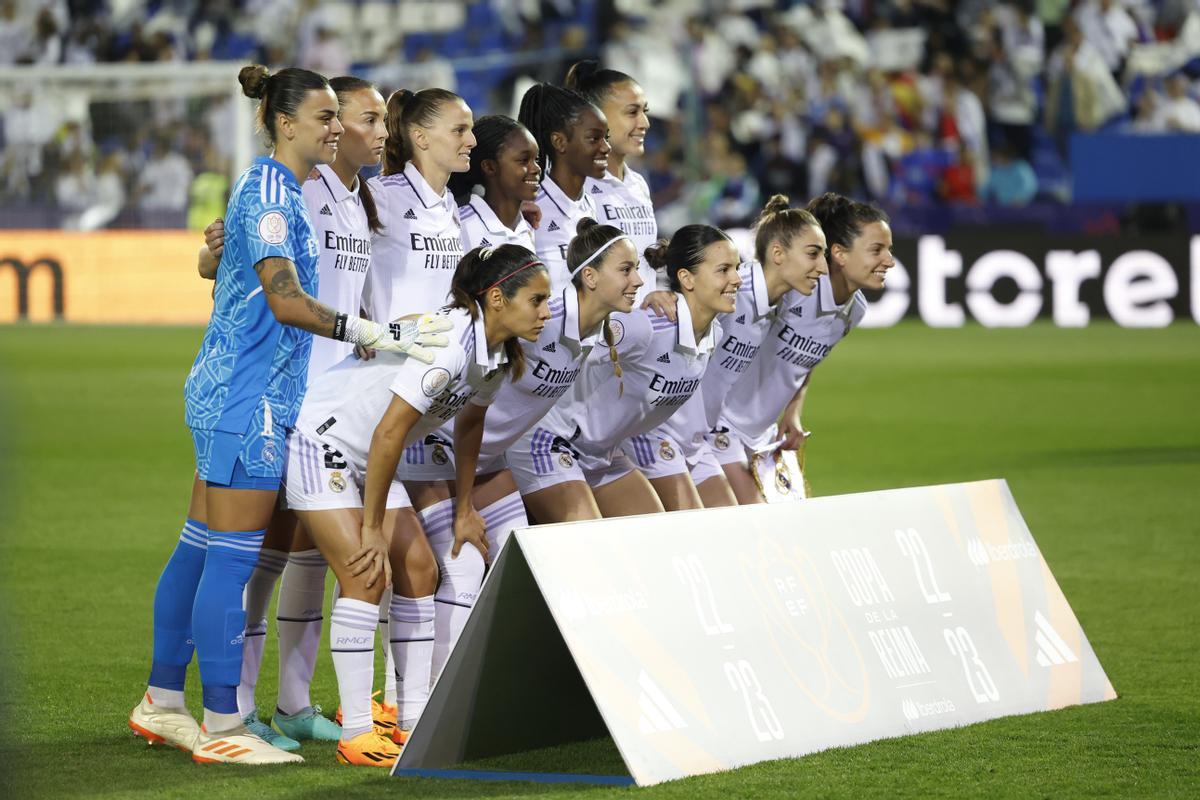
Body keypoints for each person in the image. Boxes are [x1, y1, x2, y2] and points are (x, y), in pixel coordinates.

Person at [127, 64, 450, 766]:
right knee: (233, 561)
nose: (337, 127)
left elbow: (246, 271)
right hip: (251, 399)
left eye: (342, 116)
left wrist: (217, 259)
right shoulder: (276, 193)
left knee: (200, 548)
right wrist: (374, 333)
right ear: (285, 122)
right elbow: (284, 299)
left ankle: (163, 700)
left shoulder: (285, 192)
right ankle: (223, 722)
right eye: (327, 115)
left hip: (249, 395)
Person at [283, 244, 551, 765]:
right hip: (324, 442)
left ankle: (413, 720)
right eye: (537, 299)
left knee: (419, 569)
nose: (546, 311)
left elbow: (470, 423)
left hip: (370, 456)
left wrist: (465, 505)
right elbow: (388, 435)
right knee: (366, 573)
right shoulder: (451, 343)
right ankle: (357, 733)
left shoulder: (496, 352)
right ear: (496, 298)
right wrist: (372, 526)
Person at [198, 76, 393, 750]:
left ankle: (290, 702)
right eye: (362, 118)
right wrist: (208, 251)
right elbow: (225, 262)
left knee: (304, 555)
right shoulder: (294, 189)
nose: (371, 131)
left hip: (335, 397)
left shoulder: (353, 198)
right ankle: (238, 706)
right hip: (286, 392)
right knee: (264, 555)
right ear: (296, 122)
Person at [397, 218, 642, 683]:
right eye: (627, 269)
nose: (638, 279)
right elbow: (453, 321)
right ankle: (426, 705)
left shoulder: (602, 328)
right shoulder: (540, 311)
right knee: (463, 570)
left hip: (483, 460)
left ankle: (501, 686)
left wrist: (670, 298)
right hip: (434, 449)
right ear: (590, 277)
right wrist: (386, 334)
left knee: (516, 573)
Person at [360, 85, 475, 738]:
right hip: (377, 400)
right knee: (320, 559)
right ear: (422, 137)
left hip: (429, 409)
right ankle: (385, 706)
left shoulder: (452, 214)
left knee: (441, 564)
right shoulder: (379, 199)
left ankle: (415, 704)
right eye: (459, 129)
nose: (470, 140)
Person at [510, 224, 741, 522]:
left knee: (659, 541)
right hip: (554, 442)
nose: (736, 279)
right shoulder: (646, 327)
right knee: (590, 546)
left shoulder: (714, 334)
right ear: (686, 278)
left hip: (603, 453)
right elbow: (578, 340)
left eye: (736, 268)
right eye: (723, 270)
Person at [634, 194, 829, 511]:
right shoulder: (736, 293)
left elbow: (806, 359)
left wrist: (790, 412)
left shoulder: (773, 304)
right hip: (673, 436)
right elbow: (688, 290)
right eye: (813, 254)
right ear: (778, 253)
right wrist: (656, 293)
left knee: (741, 528)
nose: (823, 267)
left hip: (705, 437)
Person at [711, 192, 893, 504]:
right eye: (877, 249)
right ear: (839, 254)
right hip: (721, 427)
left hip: (763, 436)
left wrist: (793, 412)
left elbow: (807, 362)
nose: (889, 260)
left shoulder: (855, 309)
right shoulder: (796, 285)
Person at [564, 60, 658, 301]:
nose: (644, 123)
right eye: (632, 112)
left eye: (644, 111)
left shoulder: (637, 183)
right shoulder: (575, 186)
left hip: (643, 330)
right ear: (595, 117)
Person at [518, 82, 611, 291]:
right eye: (594, 138)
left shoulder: (593, 204)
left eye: (606, 137)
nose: (606, 147)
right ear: (559, 142)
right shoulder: (529, 209)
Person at [449, 114, 539, 252]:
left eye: (536, 159)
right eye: (523, 160)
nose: (536, 169)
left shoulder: (528, 228)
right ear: (490, 167)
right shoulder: (459, 226)